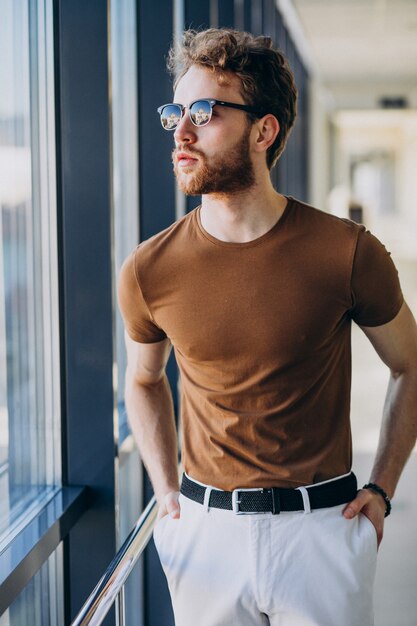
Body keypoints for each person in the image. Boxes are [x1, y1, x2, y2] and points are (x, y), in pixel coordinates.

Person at [117, 28, 417, 626]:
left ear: (264, 130)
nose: (181, 131)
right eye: (175, 112)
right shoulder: (149, 269)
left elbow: (410, 365)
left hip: (324, 531)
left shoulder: (348, 252)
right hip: (205, 536)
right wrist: (166, 492)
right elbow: (144, 381)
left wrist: (382, 489)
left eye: (203, 112)